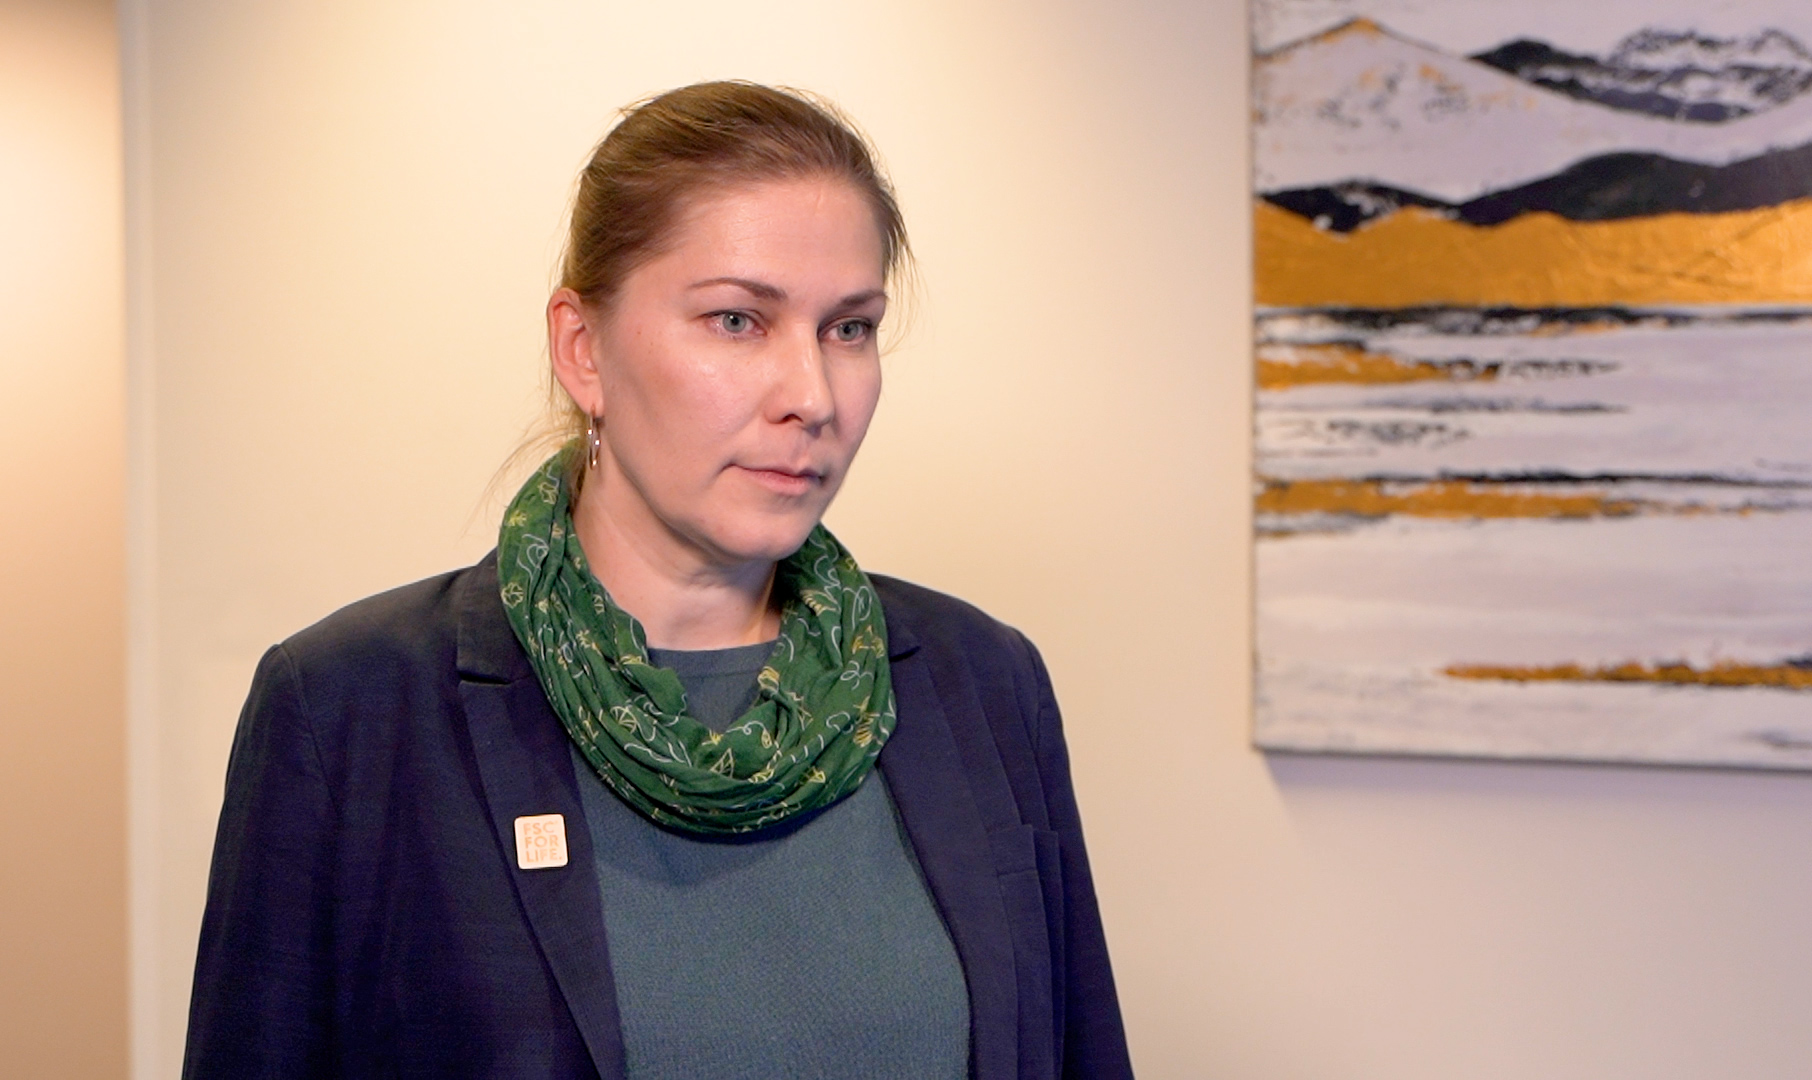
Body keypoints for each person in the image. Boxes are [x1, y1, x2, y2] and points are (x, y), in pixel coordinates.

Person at [182, 81, 1132, 1079]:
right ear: (582, 350)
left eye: (848, 328)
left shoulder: (983, 683)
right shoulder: (350, 711)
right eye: (738, 320)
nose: (812, 396)